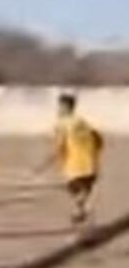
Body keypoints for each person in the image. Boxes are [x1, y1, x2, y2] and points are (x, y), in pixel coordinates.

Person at [43, 93, 103, 225]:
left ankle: (81, 211)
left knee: (73, 188)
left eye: (60, 106)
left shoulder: (62, 124)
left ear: (66, 107)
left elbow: (59, 145)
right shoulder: (83, 121)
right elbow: (98, 139)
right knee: (83, 189)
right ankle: (82, 211)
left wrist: (47, 161)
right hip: (91, 163)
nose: (58, 109)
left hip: (76, 164)